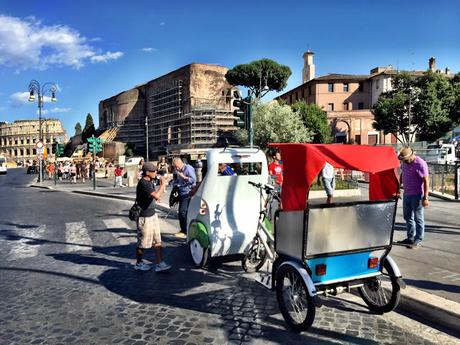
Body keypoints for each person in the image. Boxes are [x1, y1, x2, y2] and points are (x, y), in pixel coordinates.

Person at [134, 162, 171, 272]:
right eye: (153, 171)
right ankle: (139, 263)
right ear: (147, 172)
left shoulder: (150, 181)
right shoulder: (143, 183)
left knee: (157, 241)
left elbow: (155, 196)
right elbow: (156, 195)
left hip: (152, 214)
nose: (156, 173)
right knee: (142, 243)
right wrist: (163, 184)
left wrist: (157, 194)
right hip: (144, 217)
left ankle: (160, 263)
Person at [397, 147, 429, 249]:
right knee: (407, 217)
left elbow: (426, 181)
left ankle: (418, 240)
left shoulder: (421, 164)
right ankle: (410, 238)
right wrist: (398, 187)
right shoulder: (405, 163)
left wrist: (426, 197)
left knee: (418, 218)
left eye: (405, 159)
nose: (404, 162)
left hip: (417, 195)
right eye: (403, 160)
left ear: (411, 156)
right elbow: (402, 174)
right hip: (407, 193)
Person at [172, 157, 197, 238]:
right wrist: (174, 183)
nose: (176, 168)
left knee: (182, 212)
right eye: (175, 167)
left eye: (176, 166)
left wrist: (184, 177)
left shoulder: (188, 168)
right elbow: (179, 181)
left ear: (180, 163)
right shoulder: (180, 170)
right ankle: (185, 229)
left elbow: (193, 180)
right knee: (183, 213)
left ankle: (185, 231)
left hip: (187, 193)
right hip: (181, 192)